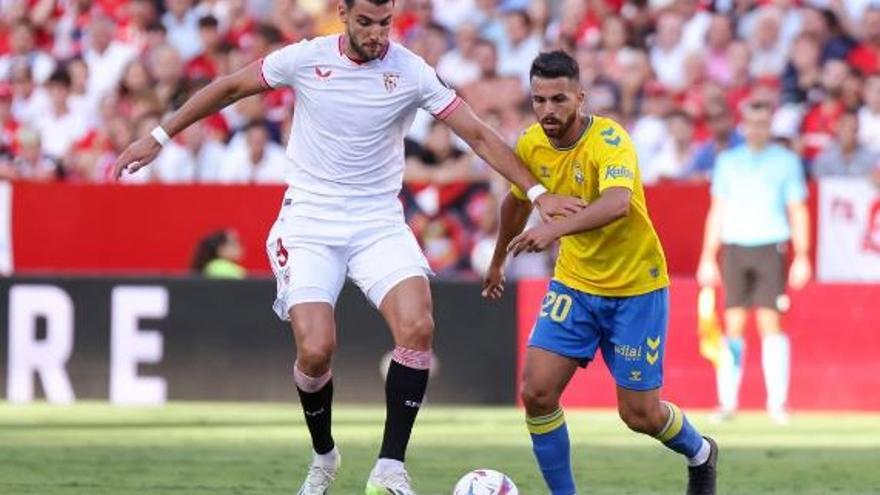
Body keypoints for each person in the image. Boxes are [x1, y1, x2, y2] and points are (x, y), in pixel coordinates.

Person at [112, 1, 582, 493]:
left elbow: (479, 137)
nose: (377, 34)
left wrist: (538, 193)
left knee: (418, 326)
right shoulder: (304, 58)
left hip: (377, 220)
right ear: (343, 14)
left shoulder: (411, 71)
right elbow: (230, 86)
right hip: (310, 219)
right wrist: (159, 136)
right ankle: (324, 456)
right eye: (366, 23)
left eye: (385, 23)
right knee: (316, 351)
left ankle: (390, 468)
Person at [482, 50, 718, 495]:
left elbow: (616, 204)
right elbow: (516, 201)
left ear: (580, 97)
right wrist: (497, 262)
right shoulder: (531, 143)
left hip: (636, 288)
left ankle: (701, 452)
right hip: (575, 284)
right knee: (536, 392)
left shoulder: (610, 141)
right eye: (539, 100)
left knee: (639, 416)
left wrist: (552, 229)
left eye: (558, 99)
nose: (548, 111)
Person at [697, 100, 811, 425]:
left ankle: (777, 402)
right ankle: (727, 401)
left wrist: (802, 256)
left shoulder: (787, 162)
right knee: (733, 323)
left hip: (771, 245)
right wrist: (708, 256)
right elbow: (717, 210)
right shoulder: (729, 162)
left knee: (770, 322)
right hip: (734, 246)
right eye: (752, 123)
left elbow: (798, 210)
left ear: (770, 125)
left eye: (763, 123)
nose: (757, 129)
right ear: (743, 125)